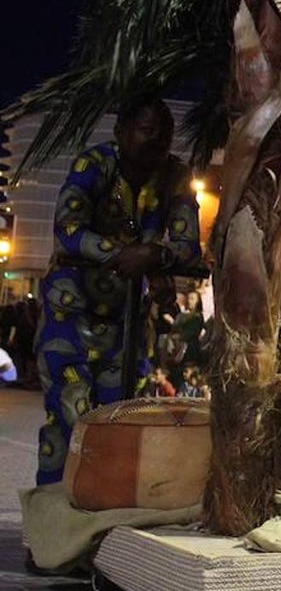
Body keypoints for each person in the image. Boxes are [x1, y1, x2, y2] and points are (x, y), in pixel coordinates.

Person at [34, 95, 201, 486]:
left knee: (123, 421)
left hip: (127, 325)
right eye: (145, 130)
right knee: (71, 420)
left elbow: (188, 245)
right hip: (71, 316)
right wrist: (127, 255)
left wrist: (155, 255)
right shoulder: (93, 165)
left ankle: (104, 521)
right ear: (121, 132)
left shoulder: (174, 176)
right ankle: (53, 526)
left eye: (165, 132)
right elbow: (68, 230)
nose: (156, 139)